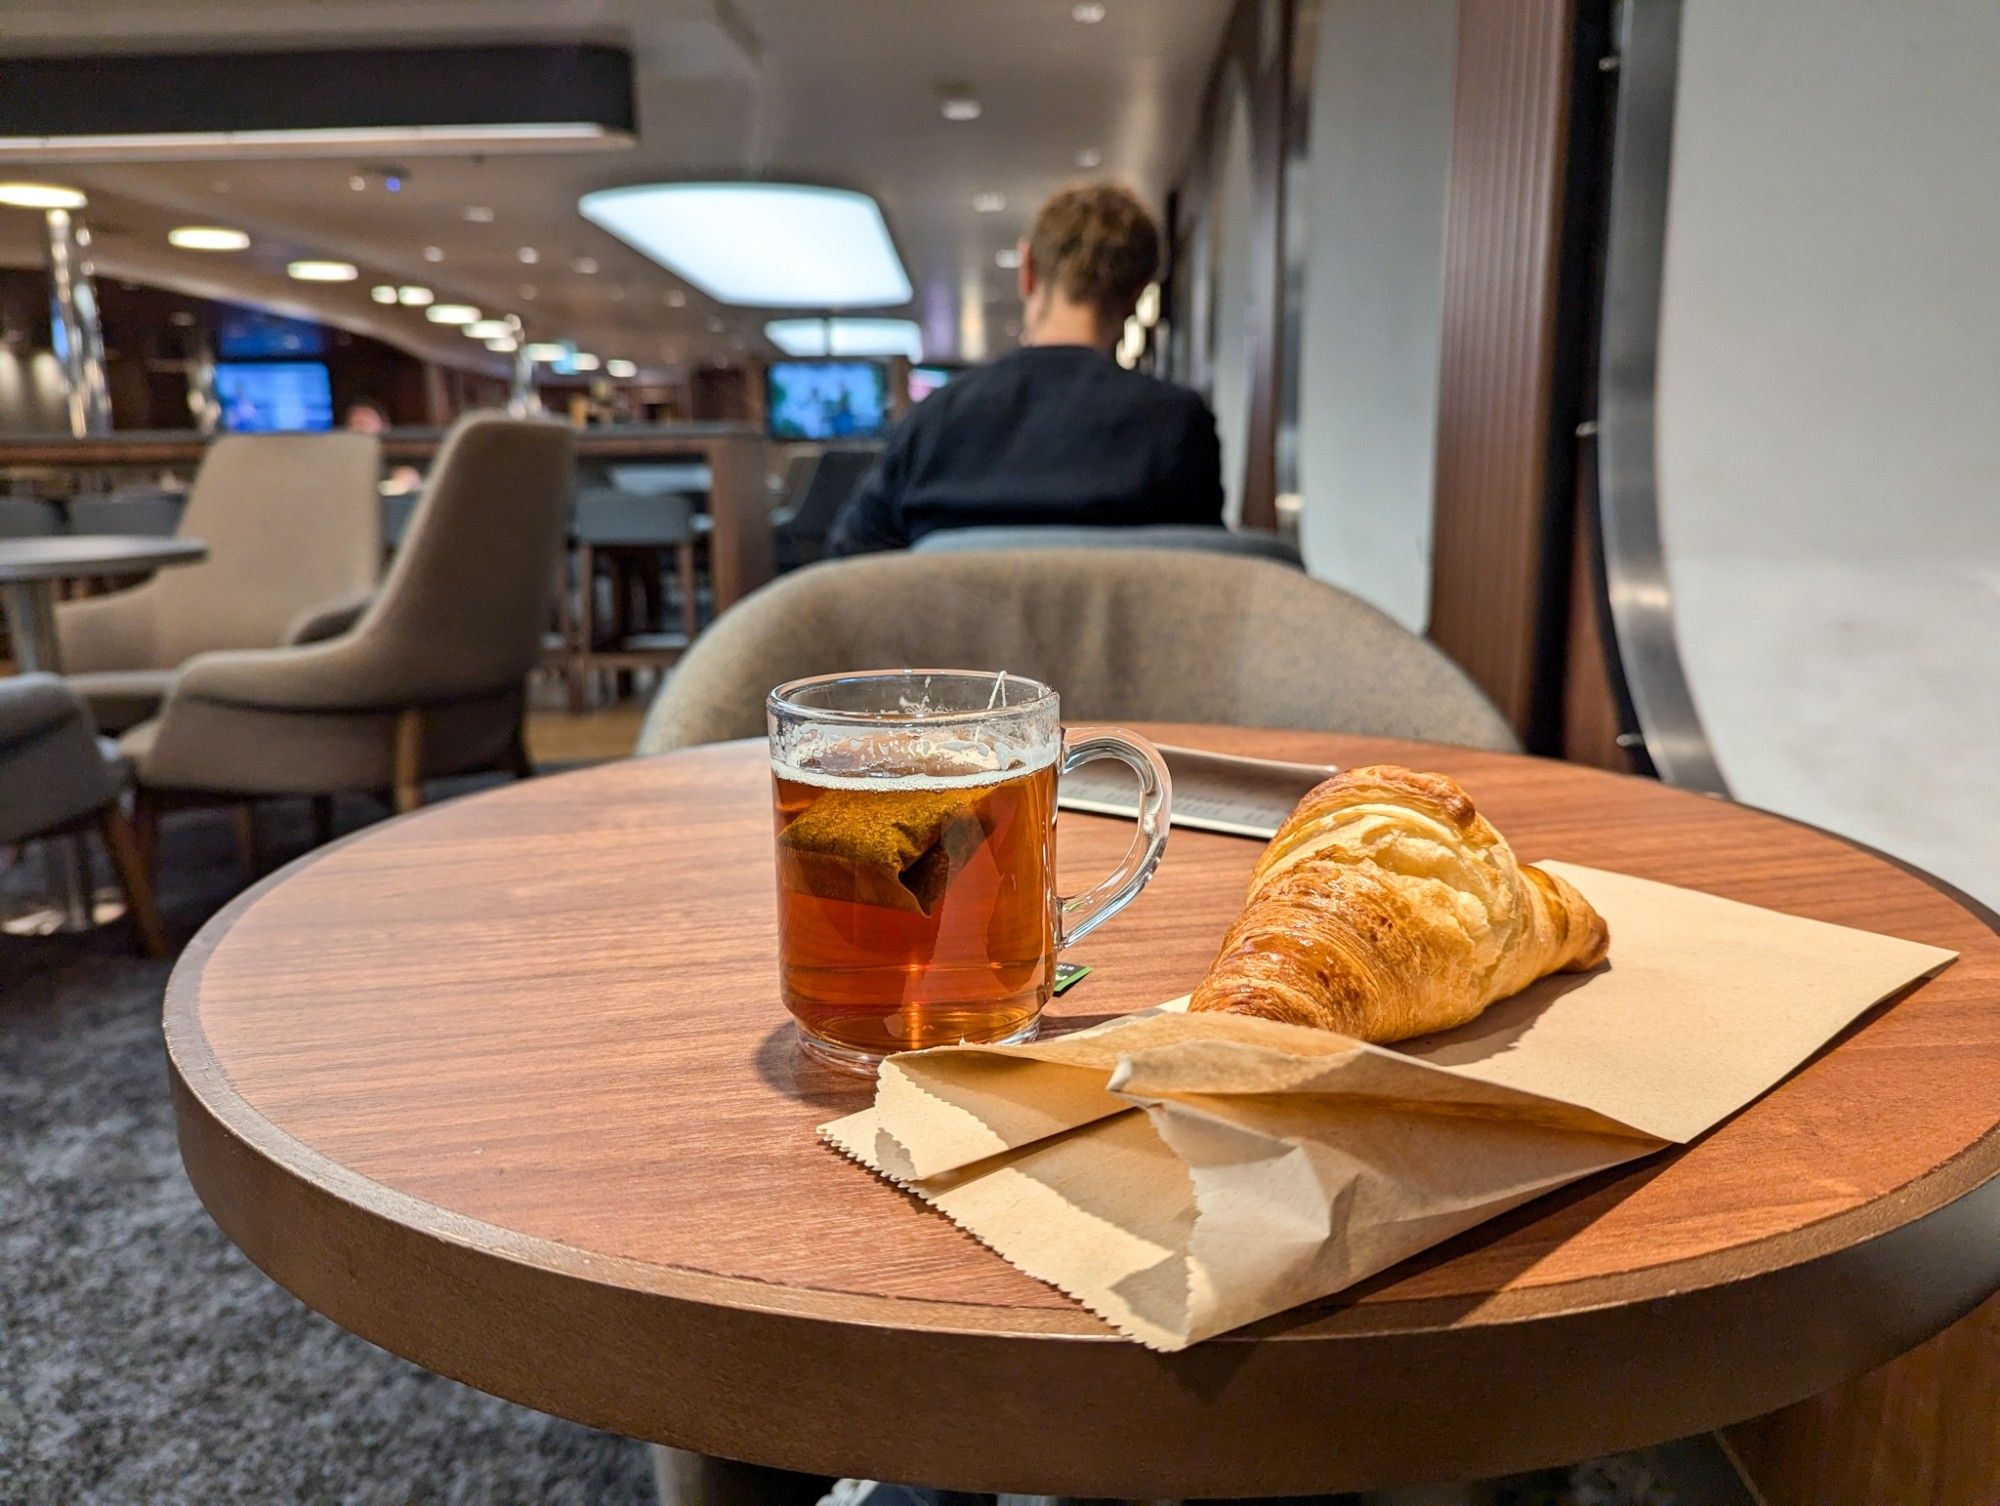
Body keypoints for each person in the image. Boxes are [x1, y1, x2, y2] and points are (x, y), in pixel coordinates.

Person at [825, 182, 1223, 556]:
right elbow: (1200, 583)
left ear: (1027, 269)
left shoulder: (935, 419)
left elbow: (850, 569)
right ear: (1139, 291)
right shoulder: (1179, 425)